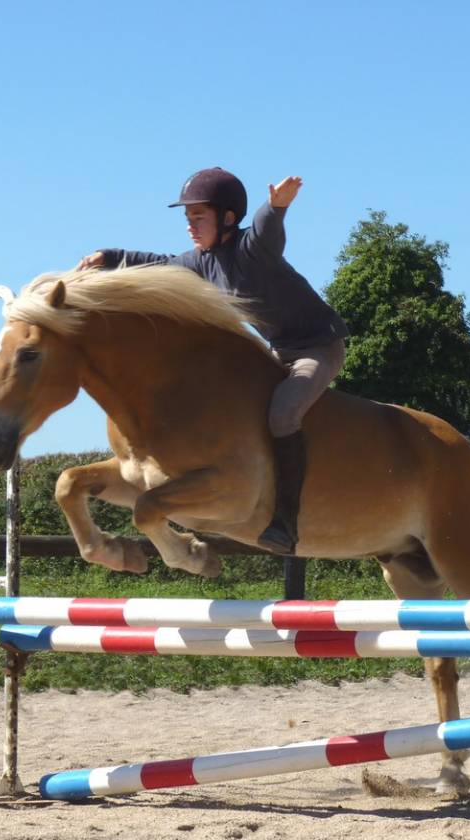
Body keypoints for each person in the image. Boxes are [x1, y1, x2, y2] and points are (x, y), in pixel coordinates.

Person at [76, 167, 349, 556]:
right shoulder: (200, 262)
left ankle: (286, 519)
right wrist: (111, 256)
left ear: (228, 218)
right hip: (276, 350)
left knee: (283, 414)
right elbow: (159, 264)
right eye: (187, 218)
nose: (190, 226)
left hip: (316, 348)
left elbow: (265, 229)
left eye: (198, 217)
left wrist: (276, 206)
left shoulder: (253, 251)